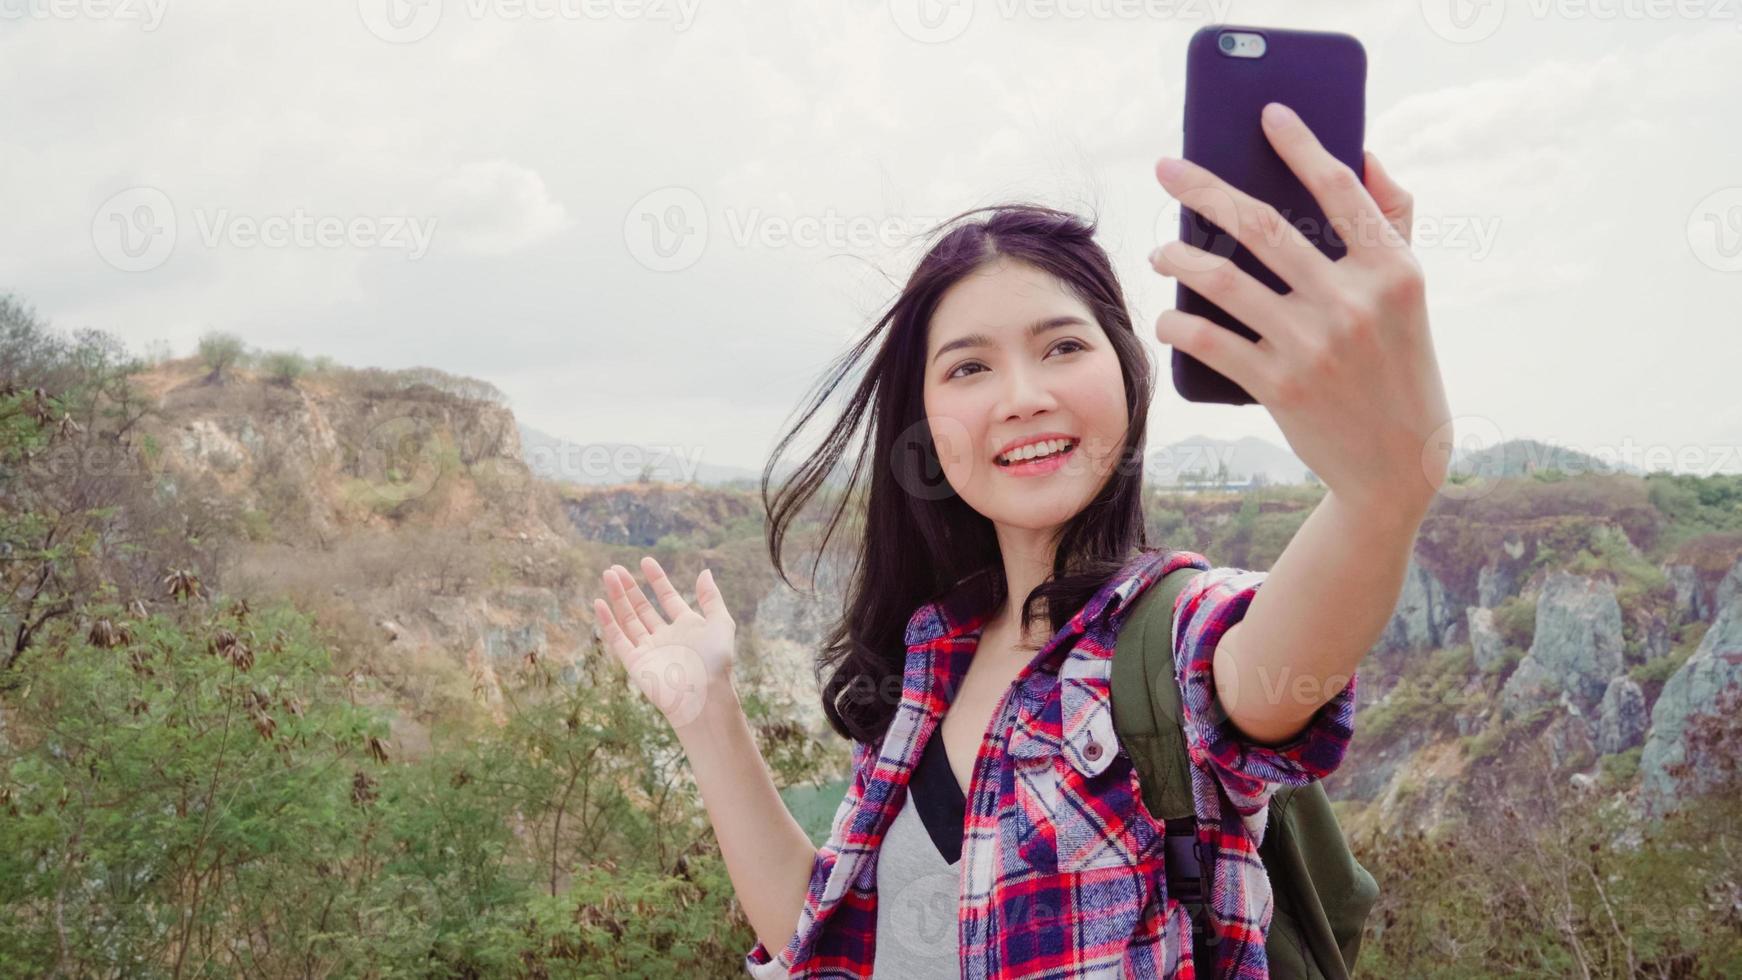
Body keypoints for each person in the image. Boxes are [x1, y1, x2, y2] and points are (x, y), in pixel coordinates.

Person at [592, 102, 1450, 978]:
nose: (1021, 395)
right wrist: (705, 711)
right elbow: (826, 939)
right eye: (969, 366)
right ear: (923, 419)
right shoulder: (928, 663)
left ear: (1125, 371)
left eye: (1062, 347)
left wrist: (1384, 485)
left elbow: (1273, 661)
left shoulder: (1175, 640)